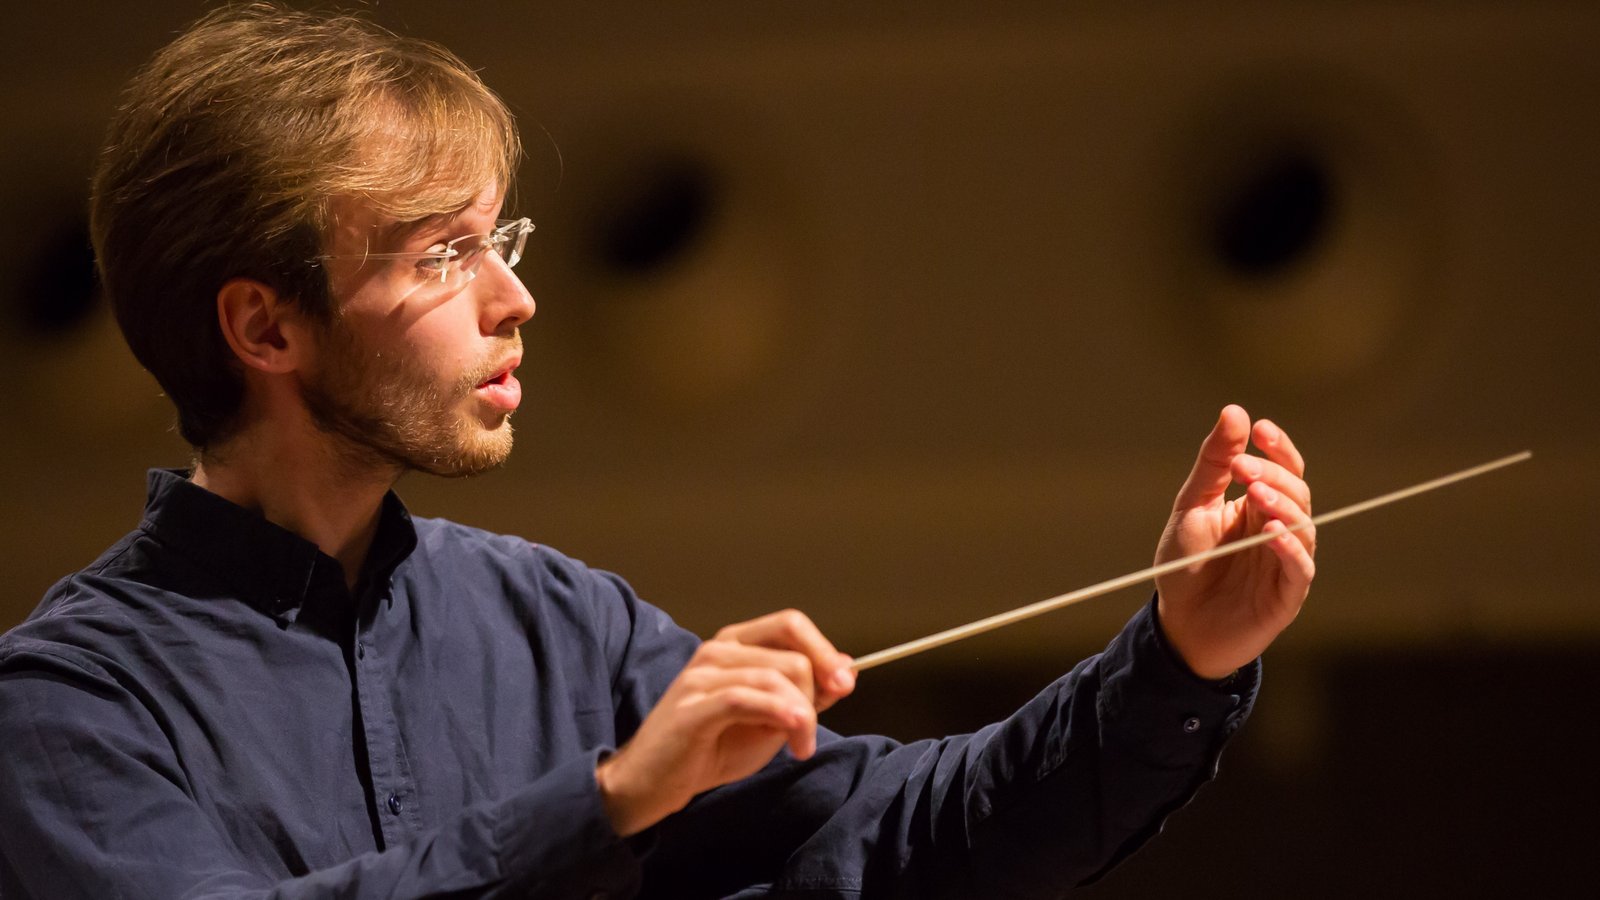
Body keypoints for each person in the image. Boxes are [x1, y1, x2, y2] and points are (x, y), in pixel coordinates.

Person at [0, 5, 1317, 898]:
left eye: (498, 243)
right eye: (443, 253)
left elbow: (913, 844)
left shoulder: (552, 623)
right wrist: (613, 800)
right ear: (263, 325)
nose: (514, 301)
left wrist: (1181, 656)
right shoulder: (67, 706)